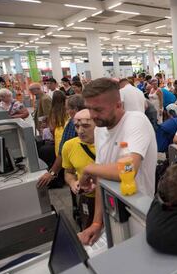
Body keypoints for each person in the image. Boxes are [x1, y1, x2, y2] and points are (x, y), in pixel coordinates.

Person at [78, 78, 157, 245]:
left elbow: (127, 171)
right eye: (89, 109)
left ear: (119, 105)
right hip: (112, 212)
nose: (92, 115)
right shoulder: (100, 129)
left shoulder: (136, 121)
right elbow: (101, 177)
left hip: (137, 212)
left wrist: (88, 169)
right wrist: (96, 223)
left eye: (98, 109)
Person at [62, 109, 96, 230]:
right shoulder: (69, 146)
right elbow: (68, 172)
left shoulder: (108, 145)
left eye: (86, 126)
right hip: (87, 199)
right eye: (77, 126)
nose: (80, 131)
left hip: (110, 197)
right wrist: (73, 183)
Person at [37, 90, 68, 188]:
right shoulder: (67, 109)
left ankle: (58, 179)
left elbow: (51, 128)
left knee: (59, 156)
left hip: (58, 137)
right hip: (67, 135)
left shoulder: (53, 111)